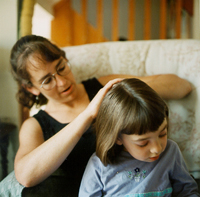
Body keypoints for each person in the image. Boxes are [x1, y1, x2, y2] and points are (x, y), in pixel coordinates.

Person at [0, 35, 191, 196]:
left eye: (61, 67)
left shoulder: (103, 87)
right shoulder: (35, 125)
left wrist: (127, 91)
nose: (61, 81)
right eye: (47, 80)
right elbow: (25, 176)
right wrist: (88, 115)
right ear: (31, 88)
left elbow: (182, 87)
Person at [79, 78, 199, 197]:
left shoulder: (170, 151)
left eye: (162, 134)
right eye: (143, 143)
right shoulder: (99, 165)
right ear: (117, 138)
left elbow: (187, 190)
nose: (157, 148)